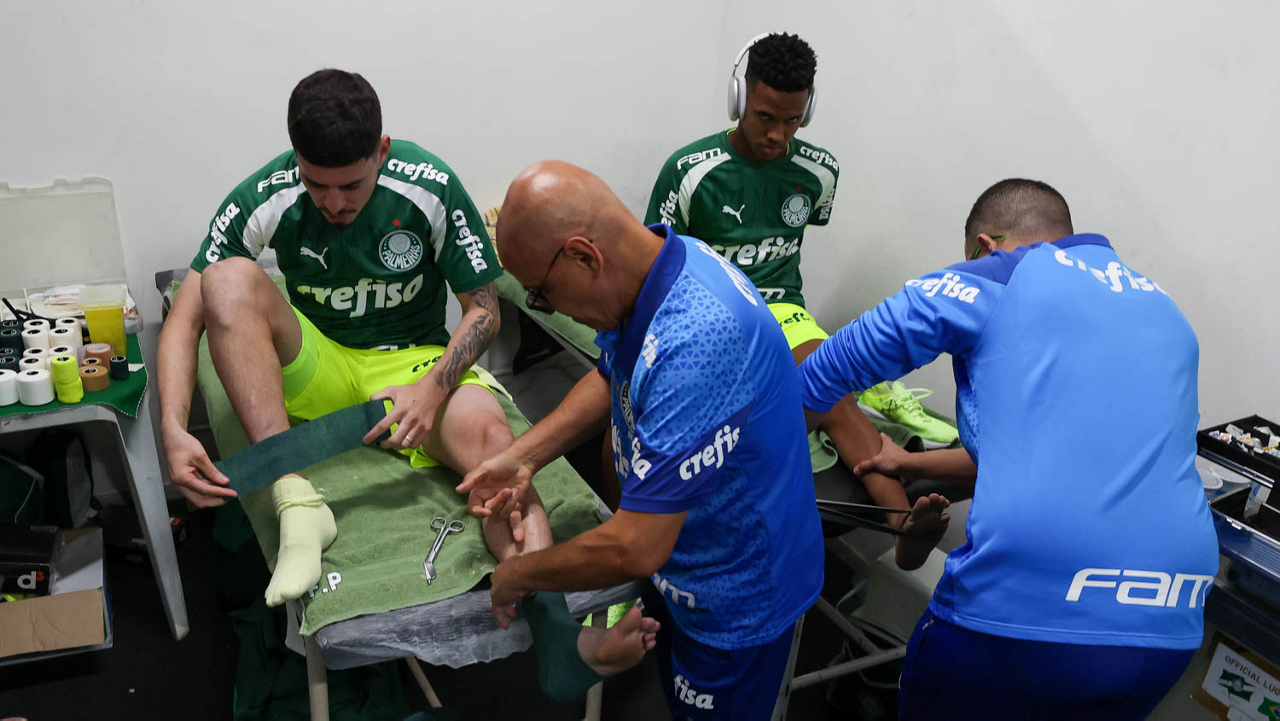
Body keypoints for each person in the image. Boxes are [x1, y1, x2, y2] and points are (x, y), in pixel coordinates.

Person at [797, 179, 1220, 717]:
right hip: (1170, 622)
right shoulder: (1164, 309)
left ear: (984, 245)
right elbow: (1044, 454)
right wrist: (908, 460)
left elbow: (819, 379)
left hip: (1027, 613)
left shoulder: (1002, 273)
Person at [459, 160, 824, 719]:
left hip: (738, 598)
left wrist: (517, 574)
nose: (544, 308)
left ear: (585, 257)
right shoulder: (666, 263)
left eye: (541, 294)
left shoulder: (696, 340)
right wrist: (522, 456)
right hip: (686, 562)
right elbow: (614, 371)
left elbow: (636, 545)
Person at [643, 32, 956, 551]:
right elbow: (655, 267)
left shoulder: (818, 171)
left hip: (782, 309)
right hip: (711, 311)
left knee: (826, 382)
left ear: (807, 111)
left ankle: (904, 524)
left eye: (792, 120)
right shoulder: (690, 171)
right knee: (764, 401)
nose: (777, 135)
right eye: (765, 117)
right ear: (739, 99)